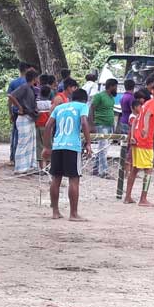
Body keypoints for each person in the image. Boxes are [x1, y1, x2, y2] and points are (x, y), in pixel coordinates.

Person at [42, 89, 92, 221]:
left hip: (58, 145)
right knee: (74, 180)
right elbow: (84, 122)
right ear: (84, 100)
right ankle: (73, 214)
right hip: (72, 147)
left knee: (56, 179)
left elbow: (48, 126)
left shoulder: (60, 108)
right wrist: (88, 143)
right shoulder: (82, 107)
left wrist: (47, 146)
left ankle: (55, 212)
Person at [123, 83, 154, 206]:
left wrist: (133, 136)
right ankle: (143, 199)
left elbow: (137, 120)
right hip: (145, 141)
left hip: (137, 139)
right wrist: (146, 129)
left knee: (135, 169)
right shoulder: (153, 103)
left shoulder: (146, 103)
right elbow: (147, 116)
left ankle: (128, 196)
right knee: (148, 169)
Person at [8, 69, 39, 174]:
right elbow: (11, 96)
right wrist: (19, 107)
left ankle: (28, 165)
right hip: (23, 117)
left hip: (29, 117)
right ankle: (20, 167)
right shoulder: (25, 87)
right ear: (34, 78)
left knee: (30, 142)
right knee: (23, 143)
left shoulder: (31, 88)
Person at [89, 78, 117, 178]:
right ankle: (103, 171)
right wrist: (91, 124)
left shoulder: (111, 98)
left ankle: (96, 169)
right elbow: (91, 108)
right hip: (101, 124)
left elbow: (111, 111)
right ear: (111, 86)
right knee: (103, 148)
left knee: (103, 147)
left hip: (109, 125)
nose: (116, 88)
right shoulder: (99, 96)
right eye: (115, 86)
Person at [7, 62, 33, 165]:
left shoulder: (13, 83)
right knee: (27, 135)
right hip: (28, 111)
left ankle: (13, 158)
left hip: (16, 111)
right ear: (27, 70)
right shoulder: (29, 82)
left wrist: (10, 112)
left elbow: (9, 99)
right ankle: (25, 159)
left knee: (15, 134)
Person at [35, 85, 53, 171]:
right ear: (49, 94)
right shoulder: (51, 104)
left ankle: (41, 168)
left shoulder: (37, 103)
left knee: (39, 146)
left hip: (39, 126)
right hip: (48, 127)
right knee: (49, 145)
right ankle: (48, 166)